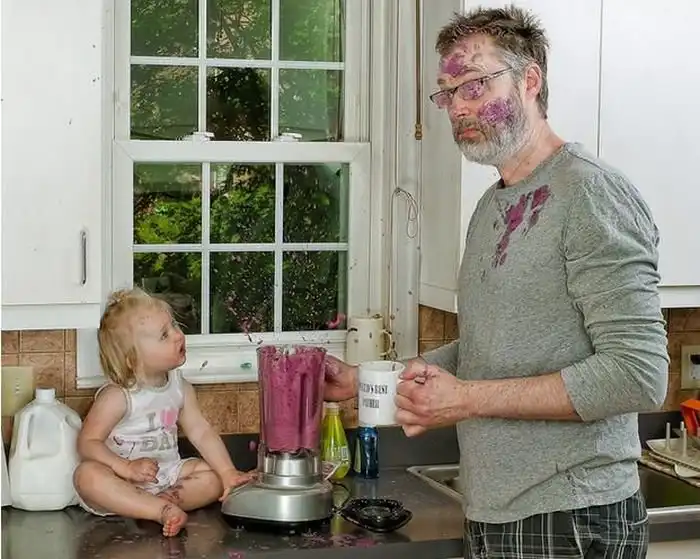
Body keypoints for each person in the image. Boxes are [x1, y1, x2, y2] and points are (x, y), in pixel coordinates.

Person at [325, 5, 668, 558]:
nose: (459, 107)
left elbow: (638, 374)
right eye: (448, 93)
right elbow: (492, 349)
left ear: (530, 80)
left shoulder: (590, 194)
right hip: (497, 510)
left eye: (475, 85)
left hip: (570, 515)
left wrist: (464, 399)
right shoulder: (493, 204)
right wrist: (366, 379)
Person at [73, 288, 254, 537]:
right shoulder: (118, 396)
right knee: (87, 476)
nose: (178, 335)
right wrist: (125, 468)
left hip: (167, 475)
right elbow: (87, 443)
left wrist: (227, 472)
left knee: (212, 477)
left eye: (174, 326)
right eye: (164, 335)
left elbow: (201, 432)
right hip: (121, 479)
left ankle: (160, 504)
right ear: (133, 359)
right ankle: (158, 510)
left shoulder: (179, 387)